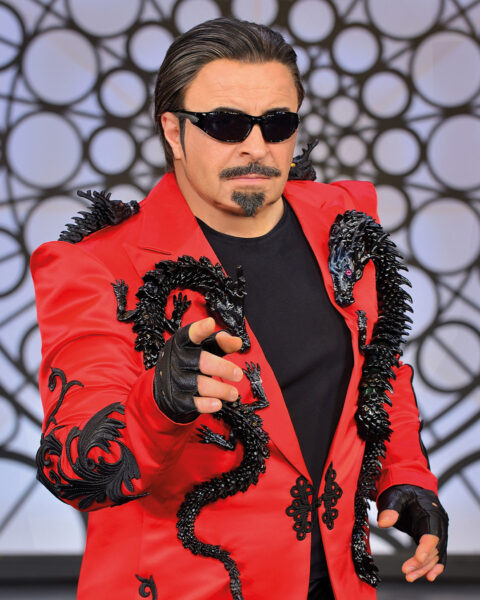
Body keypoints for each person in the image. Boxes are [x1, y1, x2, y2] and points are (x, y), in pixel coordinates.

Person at [31, 17, 448, 600]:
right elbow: (74, 467)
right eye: (226, 124)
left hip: (338, 584)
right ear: (174, 131)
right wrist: (158, 403)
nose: (256, 147)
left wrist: (404, 475)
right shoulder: (96, 266)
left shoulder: (341, 224)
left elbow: (378, 371)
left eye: (276, 124)